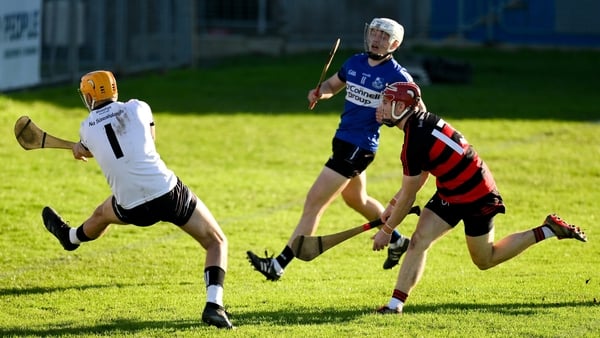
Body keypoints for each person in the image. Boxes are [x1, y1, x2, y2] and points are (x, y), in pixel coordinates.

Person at [371, 81, 588, 314]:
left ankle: (548, 230)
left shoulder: (414, 141)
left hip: (478, 194)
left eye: (386, 102)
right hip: (451, 190)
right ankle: (395, 306)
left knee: (485, 260)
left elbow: (409, 196)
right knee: (418, 240)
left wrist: (387, 231)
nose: (380, 107)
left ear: (401, 107)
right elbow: (421, 173)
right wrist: (392, 206)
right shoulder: (419, 124)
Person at [41, 70, 234, 329]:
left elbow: (88, 147)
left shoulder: (86, 127)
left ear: (89, 96)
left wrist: (79, 148)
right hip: (166, 193)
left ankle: (71, 237)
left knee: (102, 214)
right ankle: (214, 306)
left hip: (130, 205)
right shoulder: (139, 107)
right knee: (216, 241)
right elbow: (149, 141)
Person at [246, 18, 426, 281]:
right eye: (374, 33)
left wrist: (393, 119)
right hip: (343, 141)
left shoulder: (398, 76)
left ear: (395, 44)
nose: (376, 39)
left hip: (358, 147)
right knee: (357, 200)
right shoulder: (354, 62)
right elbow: (332, 85)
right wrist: (320, 93)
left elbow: (418, 112)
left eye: (383, 36)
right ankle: (397, 241)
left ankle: (279, 264)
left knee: (313, 203)